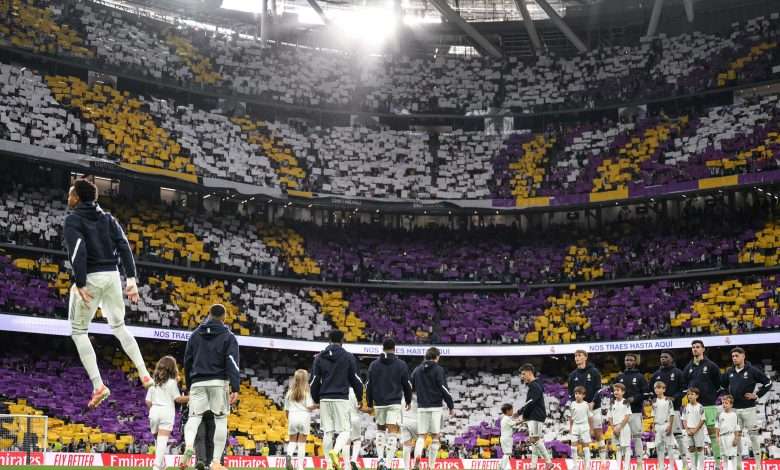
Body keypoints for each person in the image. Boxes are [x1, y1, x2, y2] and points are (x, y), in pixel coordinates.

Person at [64, 178, 152, 407]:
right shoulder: (107, 218)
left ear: (77, 197)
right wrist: (131, 279)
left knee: (78, 331)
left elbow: (77, 250)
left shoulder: (73, 219)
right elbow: (123, 245)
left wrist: (80, 282)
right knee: (119, 327)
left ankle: (98, 385)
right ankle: (144, 373)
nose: (68, 198)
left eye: (70, 194)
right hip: (113, 276)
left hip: (91, 276)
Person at [181, 304, 240, 470]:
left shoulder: (194, 335)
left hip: (197, 382)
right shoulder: (228, 336)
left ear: (209, 314)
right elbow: (232, 362)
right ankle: (215, 462)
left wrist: (189, 384)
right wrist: (235, 387)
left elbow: (187, 362)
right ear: (224, 317)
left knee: (194, 418)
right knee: (220, 420)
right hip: (218, 382)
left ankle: (189, 446)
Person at [310, 329, 364, 470]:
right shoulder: (348, 357)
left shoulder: (320, 357)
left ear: (329, 340)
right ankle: (335, 451)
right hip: (341, 398)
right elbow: (356, 380)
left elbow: (314, 381)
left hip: (324, 398)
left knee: (327, 432)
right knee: (345, 431)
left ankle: (328, 464)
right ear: (342, 340)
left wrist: (316, 398)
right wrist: (359, 398)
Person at [720, 346, 772, 470]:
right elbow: (722, 386)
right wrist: (727, 394)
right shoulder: (729, 372)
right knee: (736, 438)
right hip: (735, 411)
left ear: (743, 356)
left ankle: (759, 466)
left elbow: (768, 383)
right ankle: (738, 466)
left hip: (749, 410)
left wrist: (757, 395)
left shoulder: (752, 370)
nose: (734, 358)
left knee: (753, 437)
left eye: (737, 356)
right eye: (732, 356)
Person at [365, 338, 413, 470]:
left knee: (380, 430)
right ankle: (388, 463)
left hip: (379, 403)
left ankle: (380, 460)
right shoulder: (401, 364)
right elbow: (407, 385)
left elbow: (368, 385)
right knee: (393, 432)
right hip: (394, 403)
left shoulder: (374, 365)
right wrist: (408, 400)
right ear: (394, 348)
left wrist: (369, 403)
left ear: (382, 347)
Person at [410, 347, 454, 470]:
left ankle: (417, 458)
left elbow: (410, 386)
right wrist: (450, 405)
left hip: (422, 407)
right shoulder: (438, 369)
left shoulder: (417, 370)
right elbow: (443, 388)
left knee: (421, 436)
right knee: (435, 436)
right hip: (435, 407)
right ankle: (431, 466)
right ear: (437, 357)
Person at [682, 340, 723, 467]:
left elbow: (719, 384)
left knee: (713, 436)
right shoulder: (688, 367)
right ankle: (695, 466)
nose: (695, 349)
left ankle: (717, 465)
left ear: (703, 349)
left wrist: (711, 396)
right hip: (693, 408)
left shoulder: (711, 366)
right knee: (693, 438)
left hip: (709, 406)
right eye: (693, 347)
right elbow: (685, 385)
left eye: (697, 347)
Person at [146, 356, 188, 470]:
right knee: (162, 441)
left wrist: (153, 409)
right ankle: (156, 466)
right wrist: (192, 397)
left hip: (154, 411)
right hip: (167, 412)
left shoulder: (152, 382)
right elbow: (178, 399)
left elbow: (148, 401)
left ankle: (162, 463)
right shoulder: (172, 382)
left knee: (157, 440)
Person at [651, 350, 688, 469]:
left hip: (674, 410)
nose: (663, 359)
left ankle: (685, 463)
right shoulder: (656, 375)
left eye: (666, 357)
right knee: (660, 443)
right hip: (659, 413)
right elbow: (650, 391)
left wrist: (674, 398)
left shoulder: (678, 373)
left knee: (678, 437)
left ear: (672, 359)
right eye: (661, 357)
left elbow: (684, 390)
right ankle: (662, 465)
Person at [567, 350, 606, 460]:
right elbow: (570, 393)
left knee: (598, 433)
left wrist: (593, 402)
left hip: (594, 408)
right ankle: (581, 461)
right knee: (579, 437)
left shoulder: (594, 372)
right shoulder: (572, 375)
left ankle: (603, 461)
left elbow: (599, 390)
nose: (576, 358)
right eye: (575, 356)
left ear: (585, 357)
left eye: (579, 355)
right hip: (579, 410)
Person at [614, 353, 649, 468]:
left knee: (637, 437)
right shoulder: (620, 377)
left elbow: (645, 394)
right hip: (621, 414)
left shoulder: (640, 377)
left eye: (631, 360)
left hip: (635, 412)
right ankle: (625, 465)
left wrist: (634, 399)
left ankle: (639, 463)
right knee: (623, 440)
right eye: (626, 360)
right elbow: (614, 392)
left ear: (635, 362)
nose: (628, 362)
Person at [517, 364, 552, 470]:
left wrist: (523, 415)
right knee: (534, 442)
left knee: (535, 440)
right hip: (535, 415)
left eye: (523, 374)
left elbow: (531, 402)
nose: (522, 377)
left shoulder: (534, 385)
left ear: (529, 373)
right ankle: (533, 466)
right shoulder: (536, 385)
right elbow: (530, 402)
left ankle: (548, 462)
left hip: (536, 416)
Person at [284, 369, 316, 470]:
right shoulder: (306, 392)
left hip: (292, 416)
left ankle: (289, 455)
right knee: (302, 443)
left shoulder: (289, 392)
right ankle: (300, 467)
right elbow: (310, 406)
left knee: (292, 441)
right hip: (304, 417)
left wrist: (289, 419)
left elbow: (286, 409)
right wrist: (318, 406)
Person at [651, 381, 674, 470]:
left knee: (669, 447)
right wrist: (653, 426)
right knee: (659, 448)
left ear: (664, 389)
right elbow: (653, 414)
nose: (657, 389)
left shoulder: (668, 400)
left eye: (659, 387)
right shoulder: (654, 401)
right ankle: (661, 467)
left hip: (666, 425)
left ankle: (672, 467)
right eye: (655, 388)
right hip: (657, 426)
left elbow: (672, 414)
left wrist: (670, 426)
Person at [568, 386, 593, 470]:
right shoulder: (572, 404)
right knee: (573, 448)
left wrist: (591, 429)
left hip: (584, 427)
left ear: (583, 395)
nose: (577, 395)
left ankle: (587, 466)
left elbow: (590, 417)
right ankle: (575, 466)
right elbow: (571, 417)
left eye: (579, 394)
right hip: (575, 426)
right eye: (576, 393)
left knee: (586, 447)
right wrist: (570, 427)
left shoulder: (586, 404)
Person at [609, 383, 632, 470]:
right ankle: (618, 467)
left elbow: (627, 416)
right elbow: (610, 417)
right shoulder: (612, 402)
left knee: (626, 448)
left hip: (624, 427)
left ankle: (626, 468)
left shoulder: (626, 402)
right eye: (614, 390)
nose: (616, 392)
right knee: (618, 449)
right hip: (615, 428)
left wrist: (620, 427)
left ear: (623, 392)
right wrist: (613, 428)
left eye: (618, 390)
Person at [683, 388, 706, 470]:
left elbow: (703, 419)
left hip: (698, 430)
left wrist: (695, 430)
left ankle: (701, 467)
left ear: (697, 396)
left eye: (692, 394)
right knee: (691, 449)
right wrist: (687, 430)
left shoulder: (700, 407)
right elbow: (684, 420)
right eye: (688, 394)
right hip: (689, 431)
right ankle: (693, 467)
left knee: (699, 448)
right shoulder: (686, 407)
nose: (690, 396)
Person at [716, 395, 740, 470]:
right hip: (722, 437)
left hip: (731, 436)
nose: (724, 404)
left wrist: (736, 438)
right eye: (723, 403)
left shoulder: (734, 415)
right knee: (724, 455)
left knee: (733, 455)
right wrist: (717, 438)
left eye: (726, 403)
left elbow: (736, 428)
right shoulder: (720, 415)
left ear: (731, 404)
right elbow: (717, 428)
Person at [499, 403, 519, 470]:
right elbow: (515, 423)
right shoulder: (506, 419)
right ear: (507, 411)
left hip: (504, 438)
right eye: (511, 410)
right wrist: (524, 420)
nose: (512, 412)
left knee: (506, 453)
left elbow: (513, 421)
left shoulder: (505, 418)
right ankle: (502, 467)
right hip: (507, 438)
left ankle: (500, 466)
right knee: (507, 454)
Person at [401, 395, 418, 470]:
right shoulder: (420, 395)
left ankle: (406, 468)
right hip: (416, 421)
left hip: (405, 421)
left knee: (406, 445)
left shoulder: (402, 398)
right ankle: (416, 465)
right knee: (420, 442)